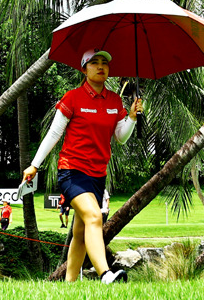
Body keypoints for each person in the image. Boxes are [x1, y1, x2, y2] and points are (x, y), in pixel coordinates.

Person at [23, 50, 142, 284]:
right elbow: (54, 134)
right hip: (72, 172)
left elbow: (121, 136)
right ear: (84, 69)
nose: (101, 67)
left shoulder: (114, 101)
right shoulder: (72, 98)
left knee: (79, 234)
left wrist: (131, 117)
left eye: (105, 63)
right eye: (94, 63)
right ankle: (106, 274)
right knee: (95, 216)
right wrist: (34, 165)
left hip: (97, 176)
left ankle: (70, 285)